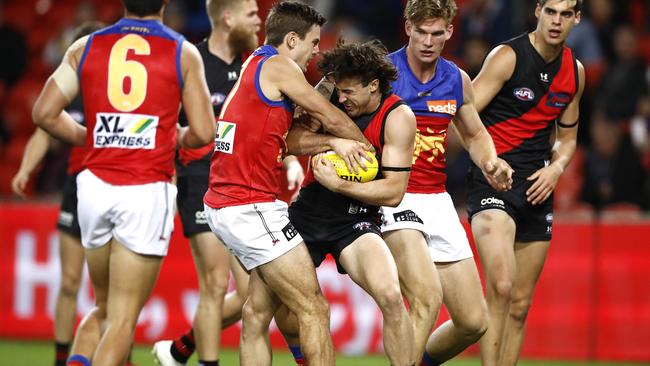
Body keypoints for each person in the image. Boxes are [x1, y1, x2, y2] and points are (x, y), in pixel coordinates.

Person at [31, 0, 217, 365]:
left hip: (94, 188)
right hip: (145, 190)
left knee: (102, 308)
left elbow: (43, 113)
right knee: (122, 320)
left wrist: (93, 137)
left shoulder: (84, 46)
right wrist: (173, 138)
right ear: (164, 3)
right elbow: (204, 131)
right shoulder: (183, 52)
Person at [202, 2, 371, 365]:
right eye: (312, 42)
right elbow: (329, 117)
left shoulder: (256, 64)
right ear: (292, 39)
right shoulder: (279, 66)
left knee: (256, 314)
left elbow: (289, 141)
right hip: (248, 205)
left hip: (228, 201)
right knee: (314, 308)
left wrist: (332, 142)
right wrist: (368, 153)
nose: (316, 50)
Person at [380, 1, 513, 364]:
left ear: (450, 32)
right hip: (394, 195)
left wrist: (491, 161)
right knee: (426, 298)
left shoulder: (456, 79)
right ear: (407, 27)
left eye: (437, 33)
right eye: (421, 31)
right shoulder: (384, 73)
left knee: (473, 321)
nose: (428, 41)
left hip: (436, 199)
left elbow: (474, 135)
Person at [12, 21, 138, 366]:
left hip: (112, 187)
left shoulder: (120, 92)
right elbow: (43, 129)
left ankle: (119, 356)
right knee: (70, 281)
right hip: (77, 189)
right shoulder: (71, 90)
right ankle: (61, 356)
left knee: (114, 293)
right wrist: (26, 169)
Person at [284, 39, 417, 366]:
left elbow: (393, 192)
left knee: (391, 296)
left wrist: (339, 184)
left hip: (355, 219)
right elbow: (290, 142)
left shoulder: (397, 117)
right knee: (268, 305)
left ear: (374, 86)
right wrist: (332, 140)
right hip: (309, 211)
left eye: (349, 92)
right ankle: (304, 358)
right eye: (338, 91)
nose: (341, 99)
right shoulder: (329, 95)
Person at [468, 1, 585, 365]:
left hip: (537, 188)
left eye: (566, 14)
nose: (557, 20)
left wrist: (556, 169)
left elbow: (567, 138)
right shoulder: (507, 56)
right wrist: (489, 160)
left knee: (520, 305)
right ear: (538, 11)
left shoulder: (575, 72)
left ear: (576, 19)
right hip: (494, 182)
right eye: (551, 11)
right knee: (501, 287)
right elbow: (464, 111)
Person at [150, 1, 263, 365]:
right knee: (215, 283)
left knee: (250, 293)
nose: (259, 19)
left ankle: (179, 349)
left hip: (240, 186)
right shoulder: (189, 62)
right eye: (251, 14)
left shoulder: (252, 67)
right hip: (198, 180)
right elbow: (163, 123)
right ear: (228, 19)